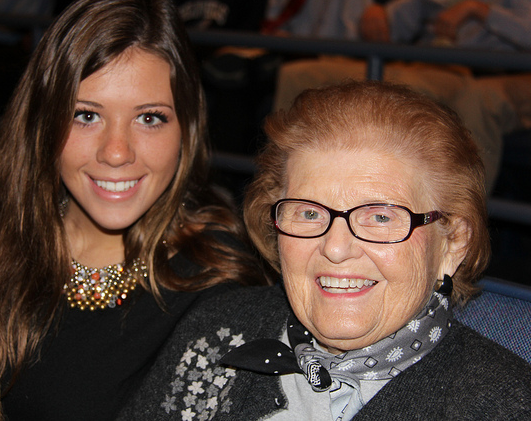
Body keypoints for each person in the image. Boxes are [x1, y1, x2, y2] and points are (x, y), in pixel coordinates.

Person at [0, 0, 271, 419]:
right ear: (43, 120)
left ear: (187, 128)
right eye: (86, 115)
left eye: (149, 118)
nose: (115, 152)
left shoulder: (217, 283)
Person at [117, 81, 531, 420]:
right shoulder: (217, 331)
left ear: (452, 242)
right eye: (309, 214)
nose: (334, 248)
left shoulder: (501, 405)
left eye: (381, 217)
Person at [271, 0, 531, 194]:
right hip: (426, 62)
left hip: (491, 70)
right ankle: (279, 189)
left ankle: (455, 223)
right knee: (299, 74)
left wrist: (480, 10)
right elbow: (397, 23)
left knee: (458, 96)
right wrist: (375, 15)